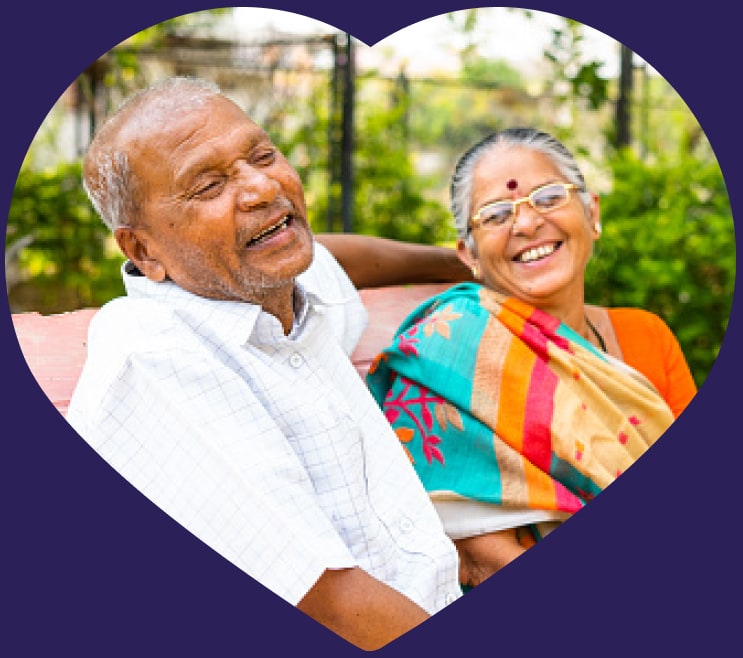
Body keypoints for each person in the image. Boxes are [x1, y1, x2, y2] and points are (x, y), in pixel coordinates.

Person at [65, 76, 471, 650]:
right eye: (208, 185)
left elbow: (337, 258)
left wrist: (466, 266)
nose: (262, 188)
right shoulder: (152, 352)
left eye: (262, 155)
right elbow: (327, 603)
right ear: (142, 250)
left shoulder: (269, 278)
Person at [367, 127, 697, 588]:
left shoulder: (647, 336)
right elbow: (482, 561)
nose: (525, 225)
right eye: (496, 215)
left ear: (592, 213)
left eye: (547, 198)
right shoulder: (440, 358)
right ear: (469, 254)